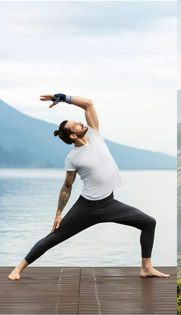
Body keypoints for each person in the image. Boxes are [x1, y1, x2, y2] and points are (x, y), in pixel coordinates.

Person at [8, 93, 169, 280]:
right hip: (87, 208)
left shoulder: (94, 135)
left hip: (110, 204)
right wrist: (59, 213)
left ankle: (146, 268)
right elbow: (67, 186)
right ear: (73, 135)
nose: (80, 123)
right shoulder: (72, 158)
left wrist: (62, 97)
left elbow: (88, 105)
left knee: (148, 222)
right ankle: (18, 269)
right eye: (76, 125)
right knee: (54, 237)